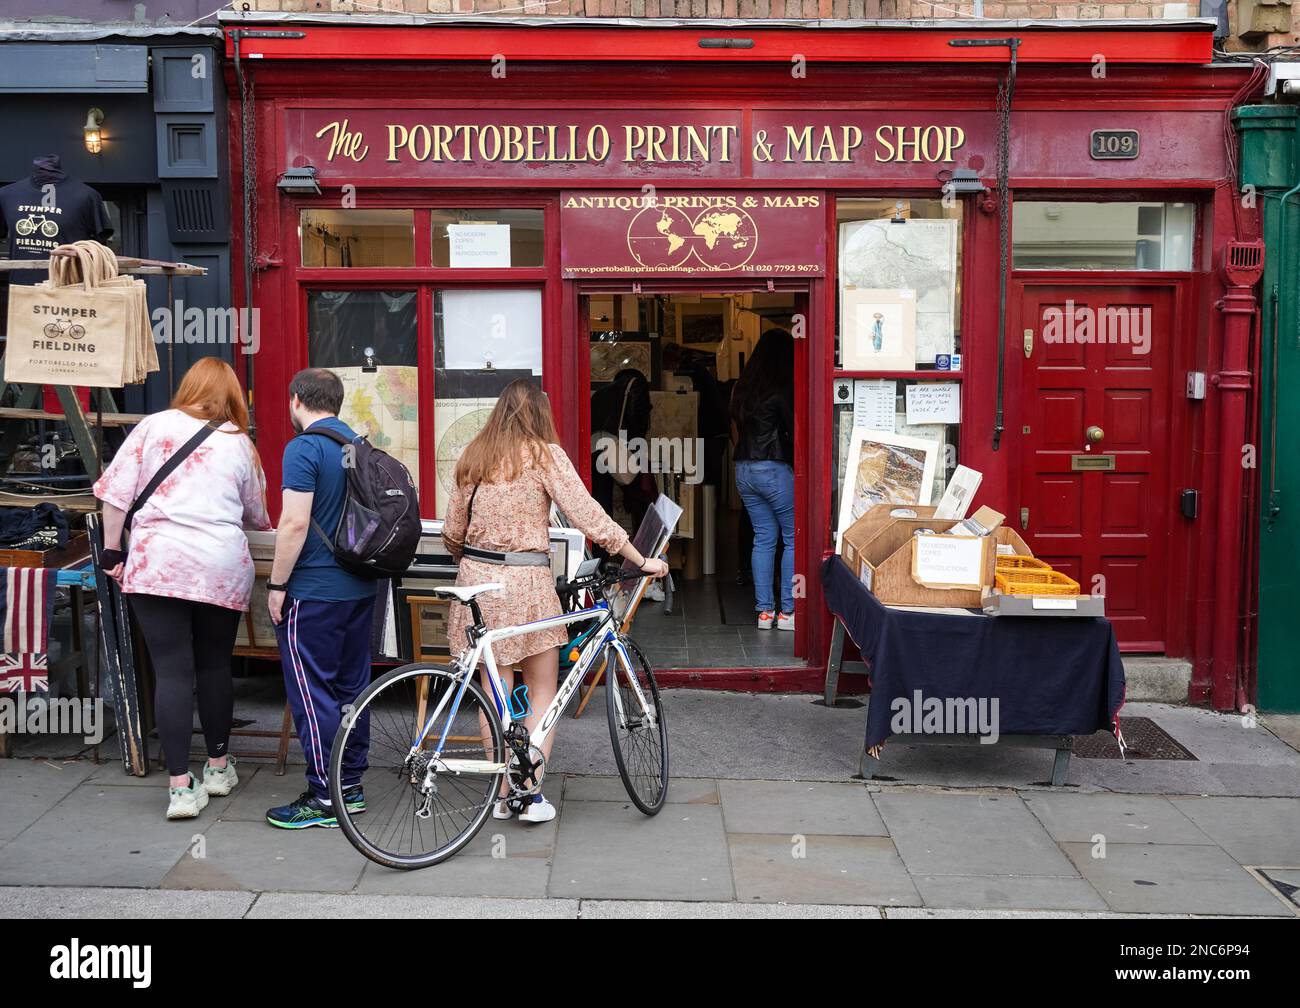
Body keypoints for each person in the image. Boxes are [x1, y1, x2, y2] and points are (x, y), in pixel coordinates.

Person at [443, 379, 668, 823]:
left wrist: (473, 560)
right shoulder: (544, 455)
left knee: (495, 692)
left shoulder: (474, 455)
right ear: (540, 414)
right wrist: (641, 559)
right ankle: (528, 796)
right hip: (527, 583)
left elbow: (453, 529)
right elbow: (589, 515)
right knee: (543, 689)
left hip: (477, 578)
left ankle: (502, 791)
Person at [93, 357, 270, 820]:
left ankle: (179, 787)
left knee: (172, 672)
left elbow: (114, 494)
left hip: (158, 565)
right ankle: (216, 766)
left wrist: (112, 551)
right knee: (214, 666)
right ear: (231, 393)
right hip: (218, 567)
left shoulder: (152, 427)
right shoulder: (239, 443)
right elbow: (258, 514)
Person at [264, 368, 377, 829]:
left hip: (313, 590)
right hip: (362, 586)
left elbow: (293, 523)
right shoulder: (360, 446)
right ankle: (350, 785)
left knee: (312, 693)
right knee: (351, 689)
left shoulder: (304, 448)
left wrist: (276, 586)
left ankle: (325, 797)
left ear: (295, 400)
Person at [730, 329, 796, 632]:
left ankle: (765, 613)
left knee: (764, 538)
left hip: (743, 468)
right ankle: (788, 612)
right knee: (792, 537)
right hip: (773, 468)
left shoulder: (743, 389)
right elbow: (794, 433)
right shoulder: (782, 388)